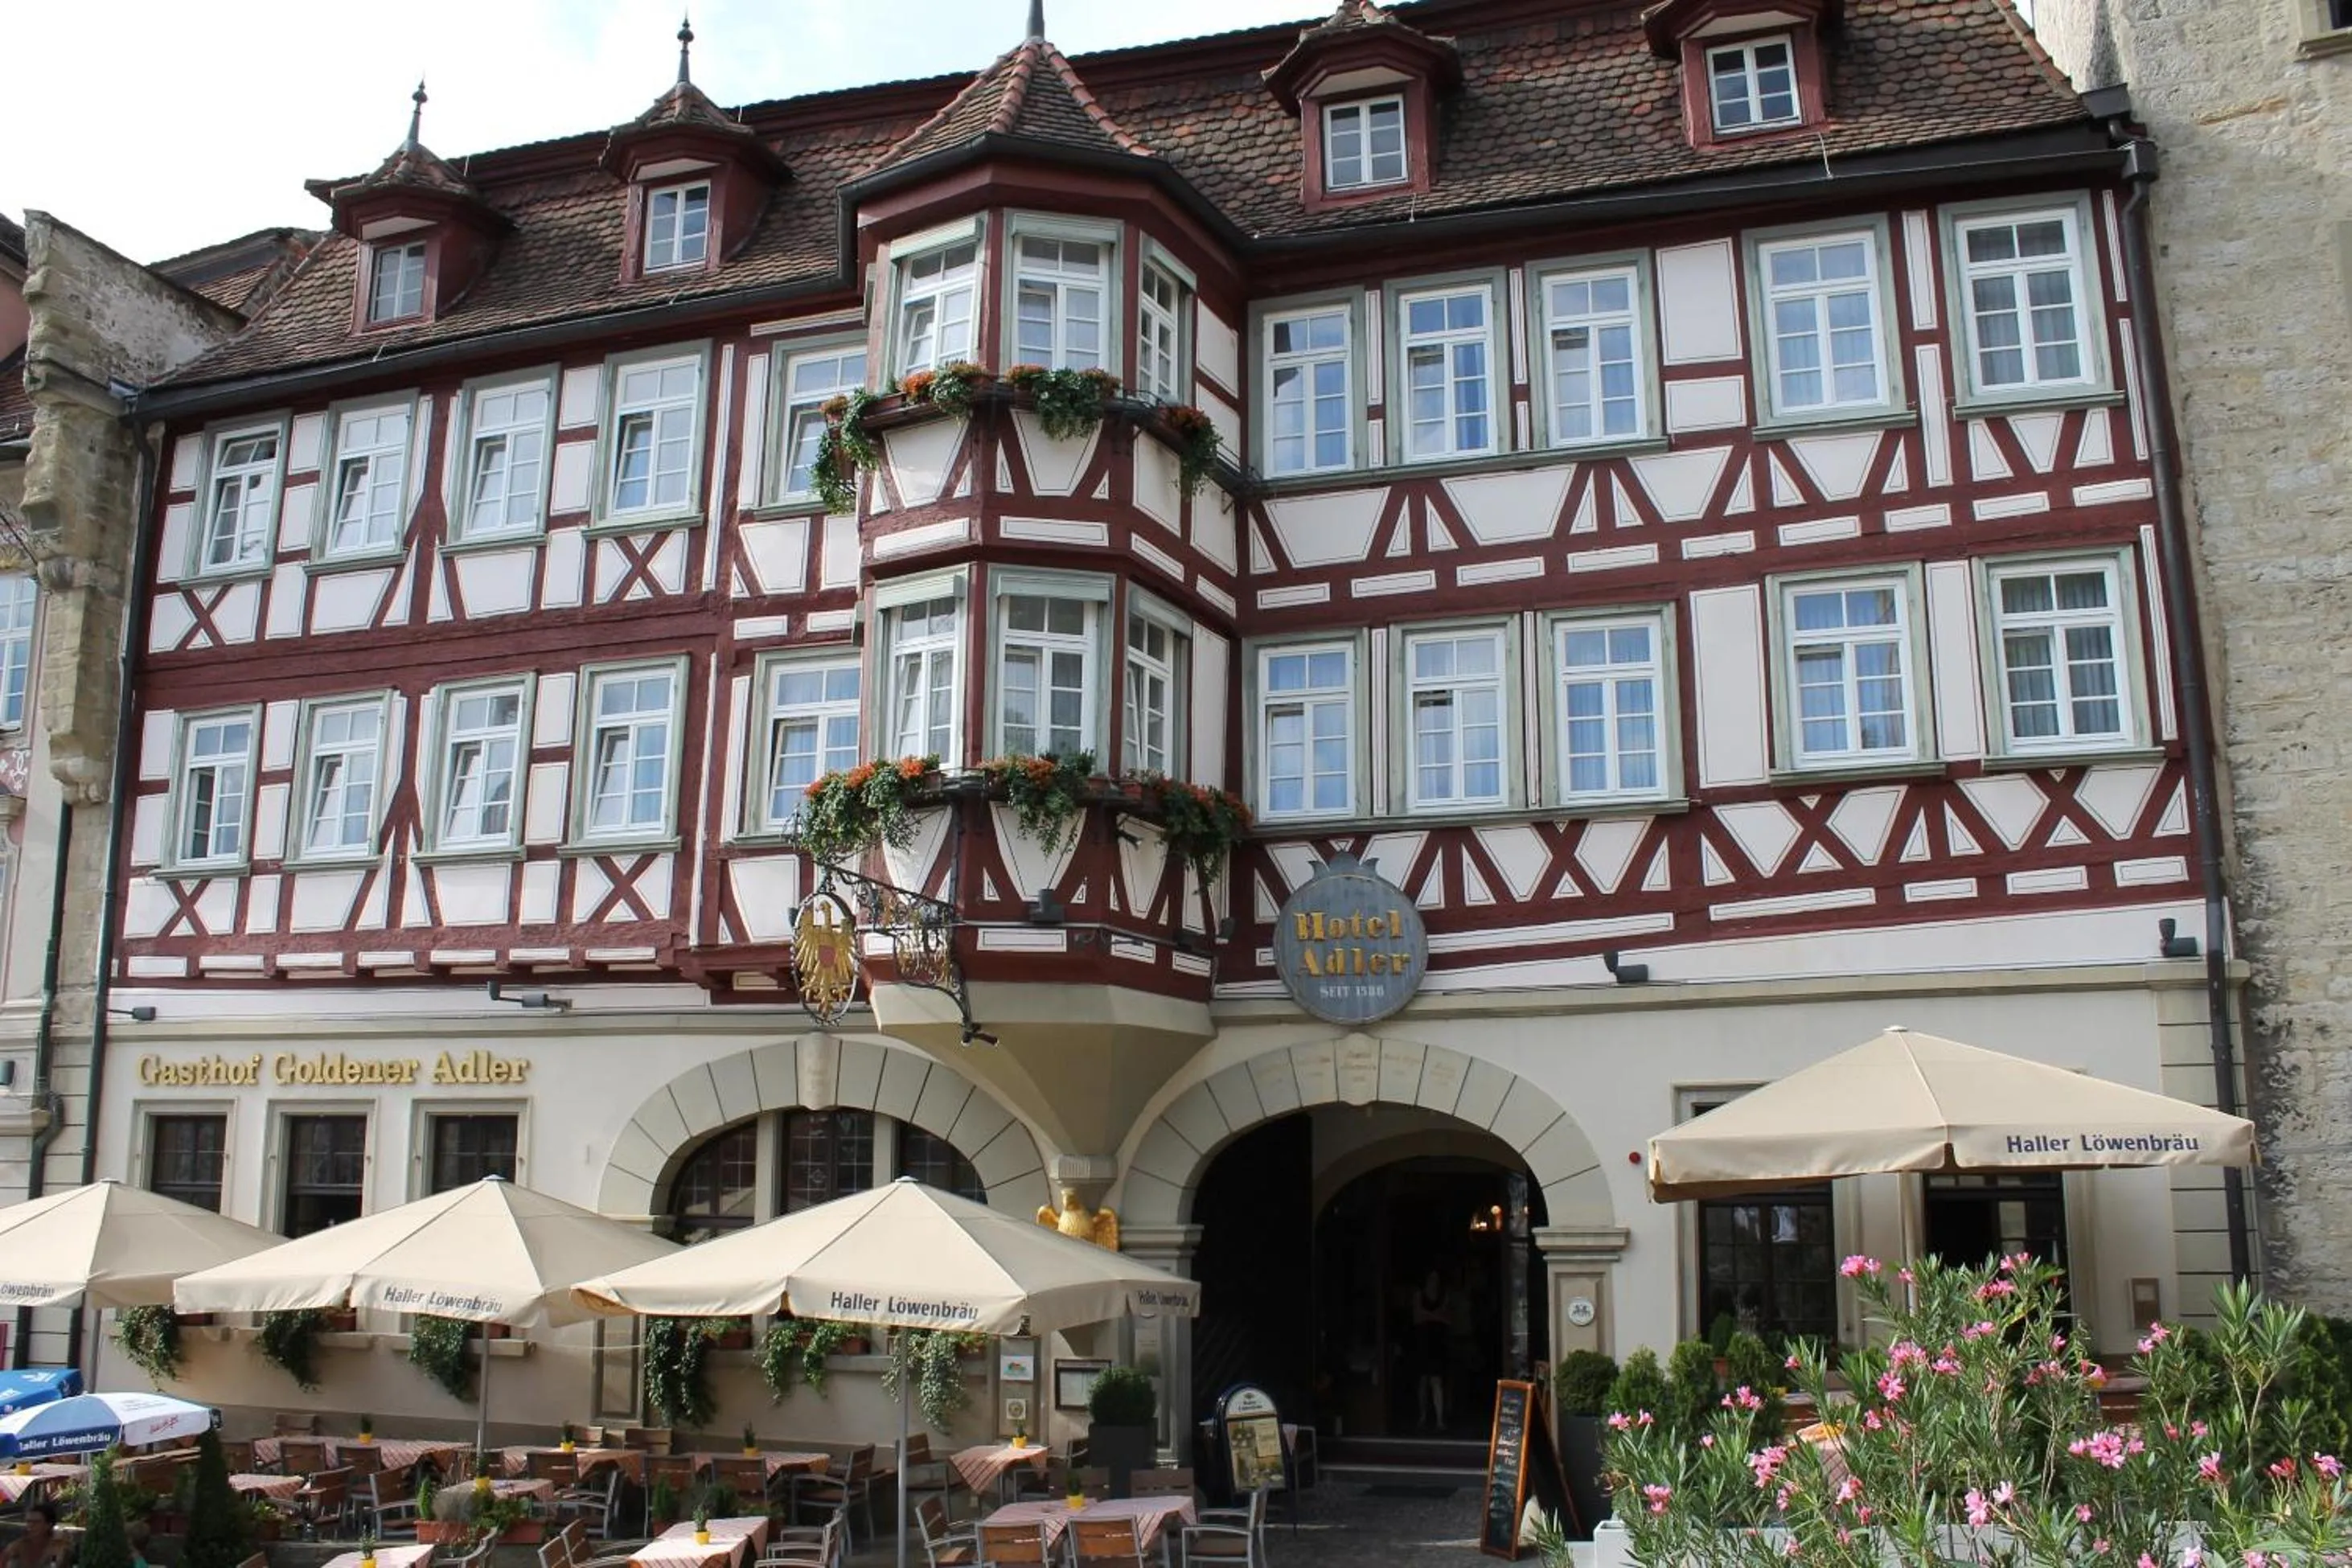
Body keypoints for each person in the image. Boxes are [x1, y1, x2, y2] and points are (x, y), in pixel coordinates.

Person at [1411, 1270, 1452, 1432]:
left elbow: (1448, 1319)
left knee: (1437, 1381)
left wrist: (1427, 1315)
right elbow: (1417, 1318)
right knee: (1423, 1381)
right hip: (1422, 1342)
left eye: (1436, 1278)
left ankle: (1439, 1420)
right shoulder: (1418, 1295)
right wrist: (1437, 1315)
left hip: (1438, 1342)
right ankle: (1422, 1415)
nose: (1434, 1282)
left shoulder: (1444, 1295)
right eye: (1431, 1278)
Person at [2, 1501, 71, 1568]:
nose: (31, 1525)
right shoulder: (17, 1546)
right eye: (28, 1521)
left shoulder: (58, 1545)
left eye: (36, 1522)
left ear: (48, 1525)